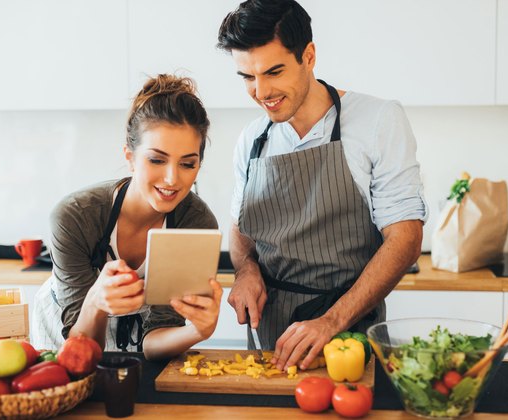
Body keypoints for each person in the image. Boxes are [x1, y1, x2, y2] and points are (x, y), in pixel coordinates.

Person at [217, 0, 428, 371]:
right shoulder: (253, 139)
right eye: (247, 77)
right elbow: (241, 232)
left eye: (274, 71)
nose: (261, 91)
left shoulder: (378, 120)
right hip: (267, 345)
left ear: (309, 56)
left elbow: (406, 238)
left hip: (349, 337)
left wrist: (332, 321)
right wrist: (245, 270)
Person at [32, 74, 222, 360]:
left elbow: (155, 340)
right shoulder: (75, 216)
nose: (172, 179)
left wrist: (198, 330)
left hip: (136, 347)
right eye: (157, 160)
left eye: (187, 163)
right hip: (68, 338)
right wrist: (96, 300)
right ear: (130, 157)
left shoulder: (195, 223)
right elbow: (83, 345)